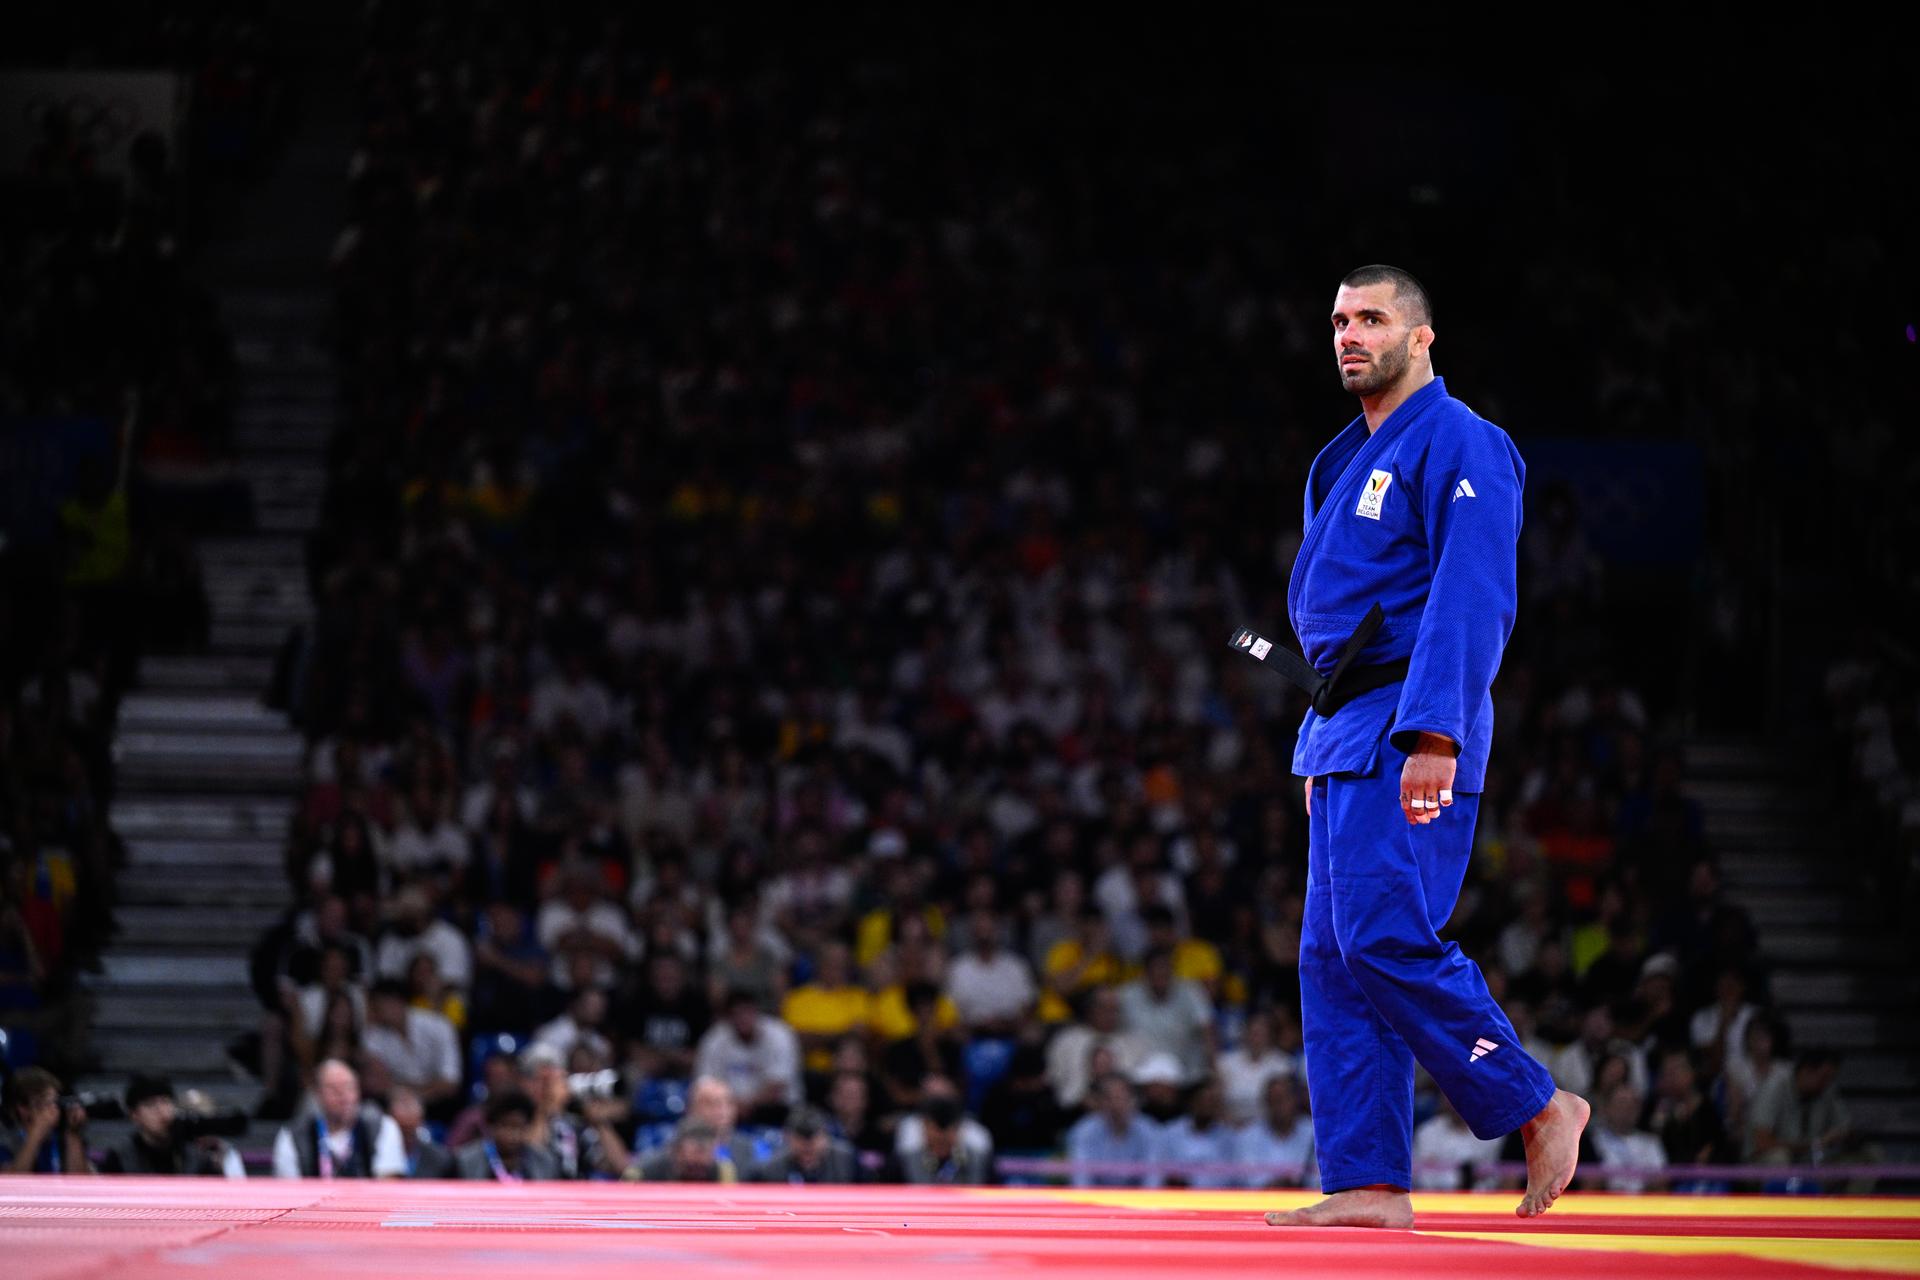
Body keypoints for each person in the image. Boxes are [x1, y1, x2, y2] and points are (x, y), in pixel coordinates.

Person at [1267, 266, 1586, 1229]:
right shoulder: (1340, 459)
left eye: (1372, 319)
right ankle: (1368, 1181)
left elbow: (1471, 591)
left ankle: (1535, 1100)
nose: (1350, 335)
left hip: (1413, 725)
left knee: (1384, 937)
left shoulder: (1462, 441)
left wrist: (1437, 733)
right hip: (1344, 732)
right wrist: (1322, 742)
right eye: (1338, 321)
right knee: (1331, 957)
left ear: (1424, 338)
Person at [272, 1058, 407, 1178]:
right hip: (312, 1205)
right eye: (333, 1089)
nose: (342, 1095)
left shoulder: (383, 1127)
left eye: (348, 1087)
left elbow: (389, 1183)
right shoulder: (293, 1135)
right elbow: (289, 1191)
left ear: (359, 1090)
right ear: (317, 1094)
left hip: (367, 1204)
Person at [98, 1075, 241, 1177]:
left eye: (165, 1102)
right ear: (134, 1115)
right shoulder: (121, 1157)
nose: (161, 1111)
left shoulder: (194, 1154)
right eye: (150, 1105)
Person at [1063, 1072, 1162, 1188]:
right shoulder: (1084, 1132)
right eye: (1110, 1098)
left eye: (1121, 1097)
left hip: (1137, 1201)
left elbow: (1153, 1179)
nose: (1116, 1104)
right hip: (1096, 1200)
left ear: (1133, 1100)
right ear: (1101, 1102)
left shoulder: (1149, 1131)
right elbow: (1080, 1179)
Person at [453, 1089, 560, 1181]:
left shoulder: (544, 1161)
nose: (513, 1135)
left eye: (519, 1127)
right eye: (506, 1126)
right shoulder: (466, 1160)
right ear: (491, 1126)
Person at [1, 1065, 92, 1173]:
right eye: (47, 1103)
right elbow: (10, 1184)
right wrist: (37, 1133)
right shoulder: (6, 1142)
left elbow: (80, 1184)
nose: (54, 1109)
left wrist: (72, 1135)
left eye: (55, 1102)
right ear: (23, 1109)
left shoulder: (60, 1141)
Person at [744, 1105, 862, 1184]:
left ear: (825, 1137)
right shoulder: (771, 1169)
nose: (808, 1147)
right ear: (788, 1137)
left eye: (813, 1140)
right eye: (801, 1140)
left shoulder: (846, 1162)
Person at [389, 1086, 455, 1178]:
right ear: (389, 1117)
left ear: (421, 1118)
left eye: (410, 1105)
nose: (408, 1113)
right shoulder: (375, 1154)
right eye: (403, 1128)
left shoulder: (440, 1158)